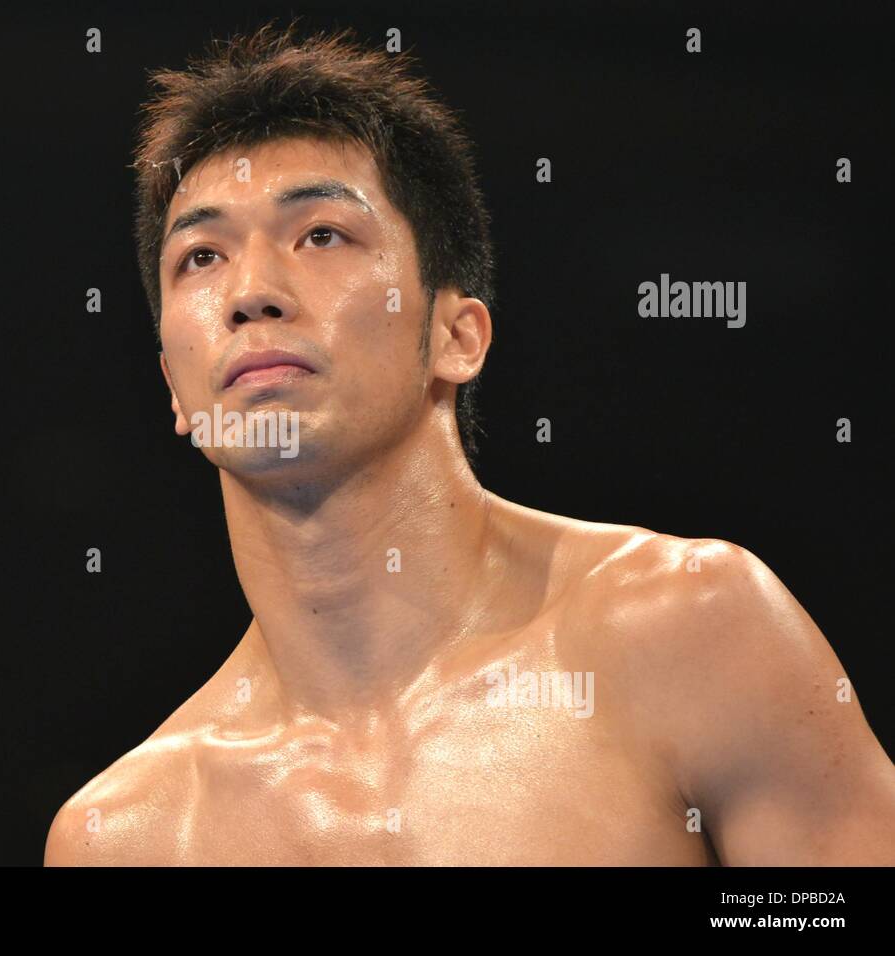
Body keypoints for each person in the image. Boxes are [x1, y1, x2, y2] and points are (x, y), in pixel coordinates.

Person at [45, 20, 895, 865]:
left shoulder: (685, 631)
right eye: (200, 256)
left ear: (458, 336)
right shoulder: (129, 837)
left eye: (321, 235)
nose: (251, 292)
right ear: (174, 387)